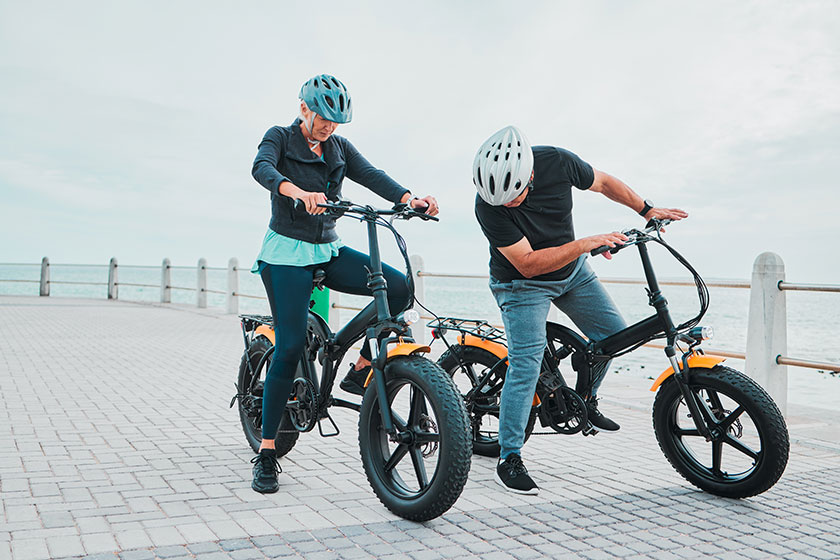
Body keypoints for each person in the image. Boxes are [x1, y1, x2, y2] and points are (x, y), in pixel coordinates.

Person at [248, 74, 438, 493]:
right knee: (291, 345)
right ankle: (265, 453)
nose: (328, 128)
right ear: (304, 109)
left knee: (399, 289)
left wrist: (409, 200)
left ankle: (360, 367)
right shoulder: (279, 137)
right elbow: (261, 168)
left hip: (327, 248)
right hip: (286, 254)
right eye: (322, 119)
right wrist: (295, 190)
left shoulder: (338, 147)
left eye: (335, 122)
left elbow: (372, 174)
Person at [472, 125, 687, 495]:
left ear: (531, 173)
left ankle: (584, 400)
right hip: (520, 285)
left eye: (515, 195)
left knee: (614, 339)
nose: (509, 204)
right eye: (500, 200)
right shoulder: (488, 206)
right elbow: (527, 264)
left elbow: (603, 183)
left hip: (572, 274)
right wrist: (585, 243)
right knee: (525, 361)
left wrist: (647, 210)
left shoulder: (557, 161)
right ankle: (509, 457)